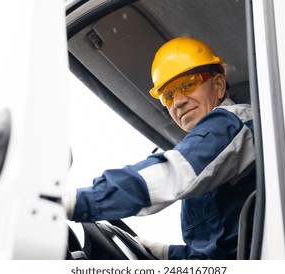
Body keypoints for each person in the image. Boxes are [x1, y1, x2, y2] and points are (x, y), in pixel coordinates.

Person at [63, 37, 256, 260]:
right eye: (168, 95)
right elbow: (213, 256)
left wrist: (75, 202)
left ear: (219, 84)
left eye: (187, 84)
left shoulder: (230, 124)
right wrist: (161, 253)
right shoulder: (211, 156)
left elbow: (170, 173)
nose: (178, 102)